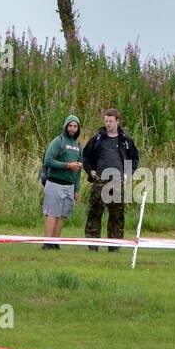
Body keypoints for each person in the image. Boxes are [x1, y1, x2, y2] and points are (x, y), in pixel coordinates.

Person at [82, 108, 140, 251]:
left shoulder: (125, 140)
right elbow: (85, 156)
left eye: (111, 121)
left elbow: (134, 158)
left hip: (117, 181)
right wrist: (90, 170)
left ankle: (114, 246)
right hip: (100, 180)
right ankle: (93, 245)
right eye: (106, 121)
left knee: (116, 214)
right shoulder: (97, 139)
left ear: (117, 121)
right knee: (95, 212)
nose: (108, 124)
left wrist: (128, 173)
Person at [40, 115, 83, 249]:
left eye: (75, 126)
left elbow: (79, 168)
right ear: (65, 126)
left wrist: (77, 188)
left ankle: (55, 243)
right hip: (54, 183)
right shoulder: (58, 141)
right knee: (52, 213)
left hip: (69, 185)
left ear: (78, 128)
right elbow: (48, 161)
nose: (72, 128)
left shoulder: (78, 145)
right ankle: (47, 243)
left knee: (62, 215)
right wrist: (67, 166)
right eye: (70, 126)